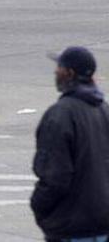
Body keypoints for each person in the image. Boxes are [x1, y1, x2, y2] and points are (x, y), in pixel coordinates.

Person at [31, 47, 109, 242]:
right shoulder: (103, 110)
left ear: (69, 73)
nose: (55, 71)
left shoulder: (60, 115)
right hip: (102, 224)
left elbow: (54, 177)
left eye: (59, 67)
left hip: (73, 227)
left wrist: (39, 207)